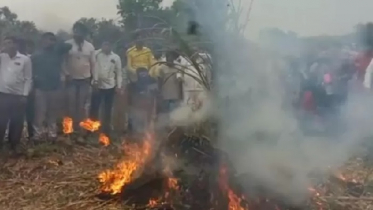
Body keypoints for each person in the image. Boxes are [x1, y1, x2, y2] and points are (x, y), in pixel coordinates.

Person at [31, 32, 72, 141]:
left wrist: (55, 43)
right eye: (48, 39)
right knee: (39, 114)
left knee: (52, 113)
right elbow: (31, 71)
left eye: (52, 40)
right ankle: (37, 135)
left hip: (54, 87)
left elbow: (69, 46)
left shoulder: (57, 52)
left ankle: (52, 134)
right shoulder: (36, 55)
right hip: (40, 88)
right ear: (43, 40)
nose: (50, 42)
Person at [0, 36, 32, 153]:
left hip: (18, 96)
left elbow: (28, 78)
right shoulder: (2, 57)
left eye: (10, 43)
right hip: (3, 94)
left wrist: (25, 95)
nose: (8, 45)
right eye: (5, 43)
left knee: (17, 121)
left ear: (16, 45)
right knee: (1, 120)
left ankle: (14, 143)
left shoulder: (25, 59)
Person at [64, 22, 96, 133]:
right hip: (71, 80)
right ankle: (69, 129)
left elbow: (93, 63)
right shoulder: (67, 45)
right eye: (76, 31)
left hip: (85, 79)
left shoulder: (90, 46)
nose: (78, 33)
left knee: (82, 106)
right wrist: (66, 73)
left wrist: (93, 78)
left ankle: (81, 129)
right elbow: (62, 62)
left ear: (84, 33)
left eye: (81, 31)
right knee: (71, 105)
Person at [90, 41, 122, 136]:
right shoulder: (97, 54)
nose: (107, 47)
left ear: (112, 46)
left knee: (107, 109)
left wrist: (119, 86)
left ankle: (106, 130)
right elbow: (91, 58)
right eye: (105, 45)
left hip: (110, 86)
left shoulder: (116, 57)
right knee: (94, 108)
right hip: (97, 85)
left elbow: (119, 73)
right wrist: (100, 49)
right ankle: (92, 129)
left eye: (109, 45)